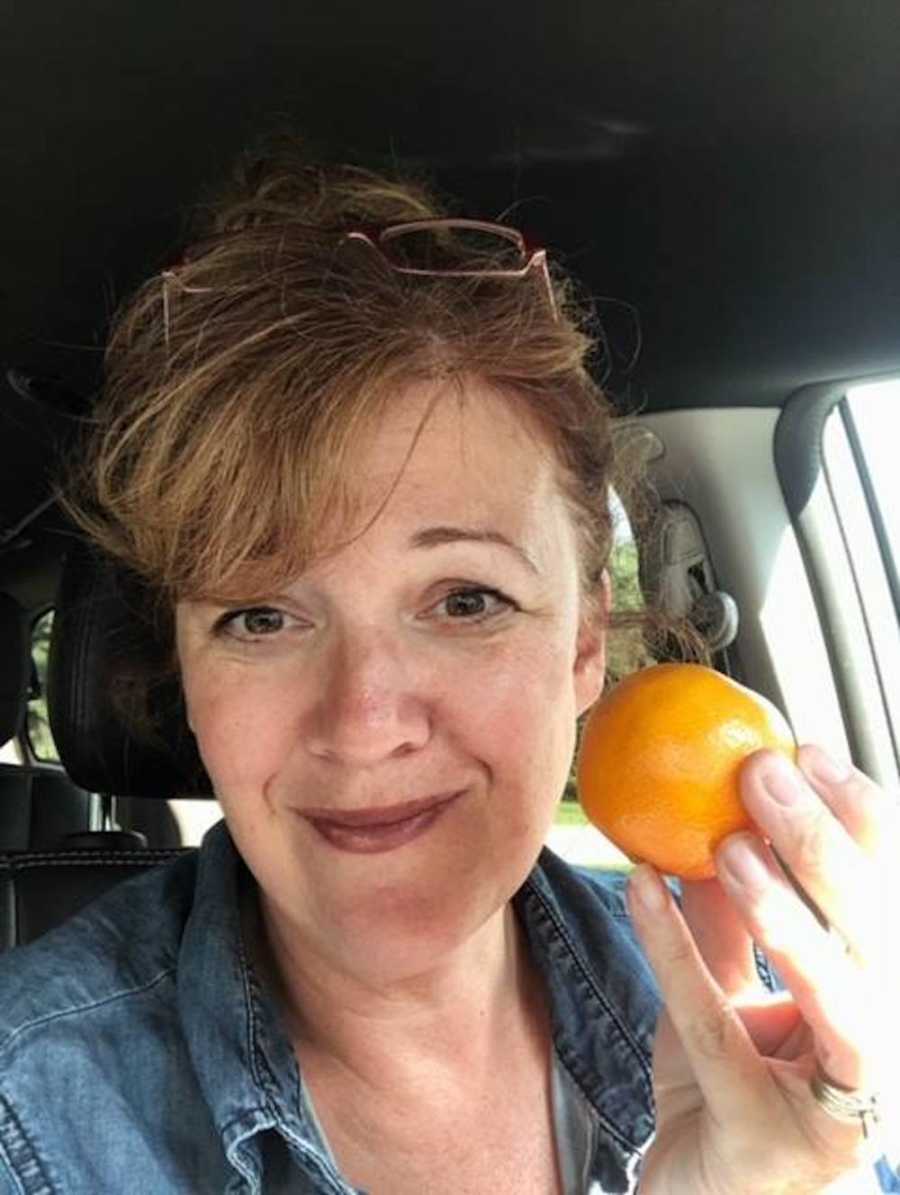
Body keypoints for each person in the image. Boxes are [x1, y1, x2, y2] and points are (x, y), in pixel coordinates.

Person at [0, 139, 896, 1195]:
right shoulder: (31, 1116)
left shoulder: (799, 1034)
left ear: (581, 643)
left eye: (466, 600)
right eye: (259, 616)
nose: (366, 721)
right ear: (187, 675)